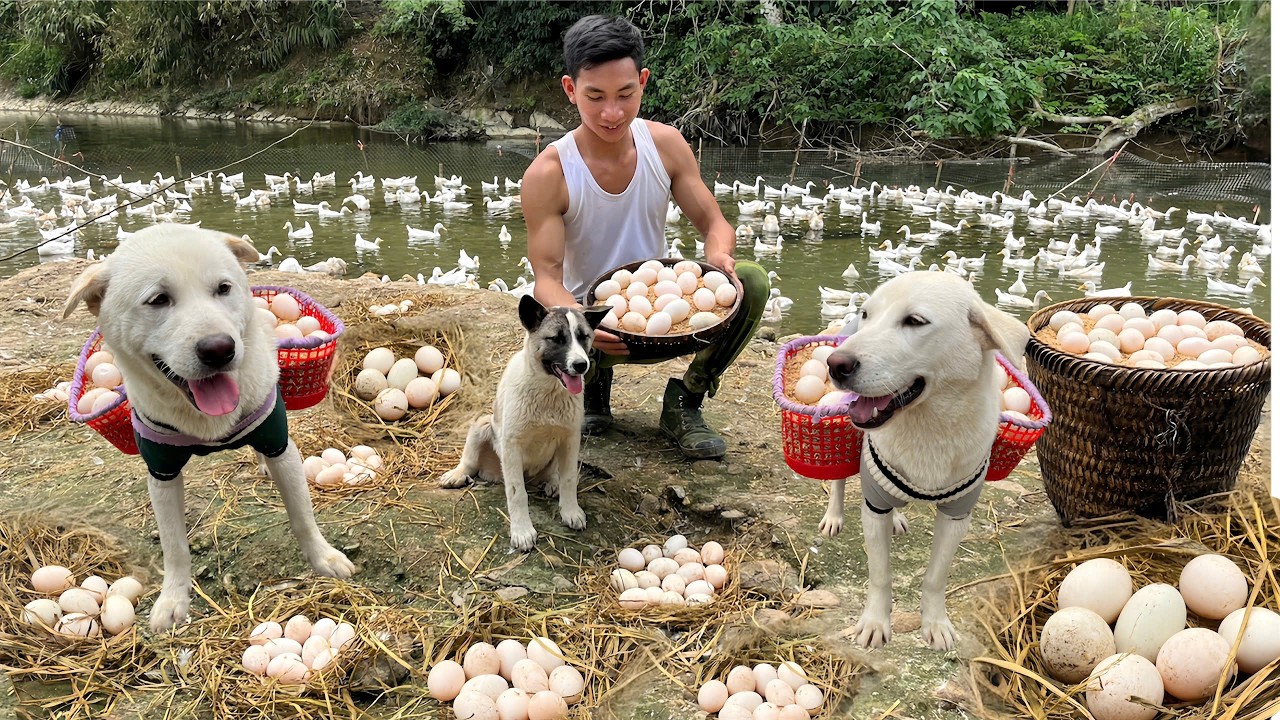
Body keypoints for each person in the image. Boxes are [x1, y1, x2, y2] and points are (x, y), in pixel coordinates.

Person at [522, 14, 769, 460]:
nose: (612, 113)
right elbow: (546, 276)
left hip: (663, 316)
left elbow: (716, 224)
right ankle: (593, 391)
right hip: (594, 328)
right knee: (559, 329)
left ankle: (685, 402)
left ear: (643, 81)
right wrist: (583, 322)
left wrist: (720, 259)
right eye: (594, 96)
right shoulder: (549, 173)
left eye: (625, 94)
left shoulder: (665, 145)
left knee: (750, 282)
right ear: (569, 89)